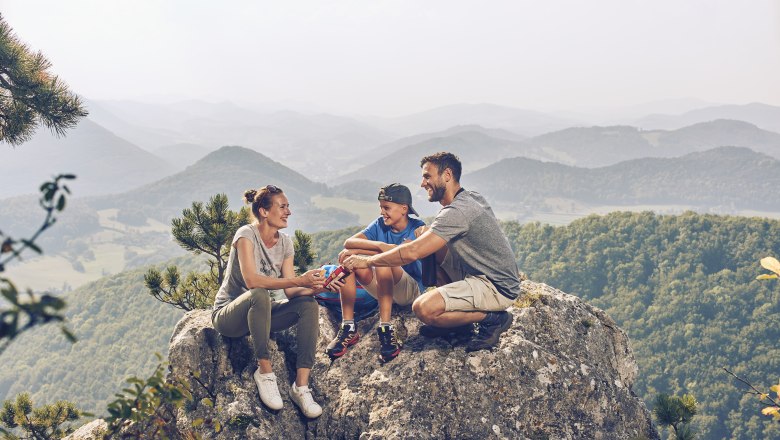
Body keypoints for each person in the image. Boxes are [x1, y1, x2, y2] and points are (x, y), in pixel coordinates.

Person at [343, 152, 520, 352]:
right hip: (484, 273)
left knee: (423, 309)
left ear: (447, 175)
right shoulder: (471, 198)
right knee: (430, 241)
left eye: (427, 176)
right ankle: (459, 324)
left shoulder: (457, 212)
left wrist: (367, 262)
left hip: (496, 287)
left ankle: (493, 319)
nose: (422, 183)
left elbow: (412, 252)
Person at [211, 185, 326, 418]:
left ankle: (301, 387)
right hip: (229, 316)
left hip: (262, 314)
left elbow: (292, 290)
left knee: (308, 306)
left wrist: (315, 287)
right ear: (264, 211)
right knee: (260, 293)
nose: (288, 212)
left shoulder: (285, 243)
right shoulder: (246, 234)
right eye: (282, 207)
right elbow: (252, 280)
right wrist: (299, 279)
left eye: (288, 207)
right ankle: (265, 371)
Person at [325, 183, 426, 363]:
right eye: (381, 207)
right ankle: (348, 326)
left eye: (386, 208)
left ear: (404, 209)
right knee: (349, 259)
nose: (382, 212)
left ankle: (385, 329)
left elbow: (401, 256)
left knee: (383, 260)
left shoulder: (418, 229)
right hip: (384, 286)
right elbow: (349, 242)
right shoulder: (380, 225)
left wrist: (376, 252)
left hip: (410, 291)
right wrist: (379, 246)